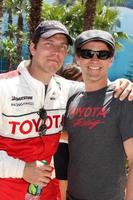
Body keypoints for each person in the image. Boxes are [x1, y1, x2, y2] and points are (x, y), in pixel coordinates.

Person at [0, 20, 132, 200]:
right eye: (48, 44)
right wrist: (21, 169)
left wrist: (122, 85)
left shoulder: (68, 89)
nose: (56, 52)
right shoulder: (4, 87)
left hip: (48, 193)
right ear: (32, 47)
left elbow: (98, 89)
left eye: (62, 46)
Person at [54, 30, 133, 200]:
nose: (95, 59)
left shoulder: (123, 97)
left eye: (103, 54)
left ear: (111, 59)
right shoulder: (72, 98)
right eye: (87, 53)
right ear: (78, 58)